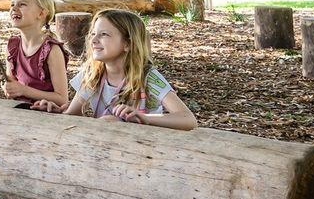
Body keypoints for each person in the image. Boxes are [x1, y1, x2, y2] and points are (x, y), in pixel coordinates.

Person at [33, 8, 196, 129]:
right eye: (93, 34)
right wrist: (55, 113)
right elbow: (73, 114)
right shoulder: (92, 74)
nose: (94, 40)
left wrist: (145, 118)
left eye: (104, 34)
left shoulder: (147, 76)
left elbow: (188, 119)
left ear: (127, 44)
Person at [3, 0, 69, 109]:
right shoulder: (12, 46)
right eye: (12, 4)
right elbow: (12, 83)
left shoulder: (51, 50)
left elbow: (62, 99)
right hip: (18, 110)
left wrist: (24, 90)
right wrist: (10, 89)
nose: (14, 8)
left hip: (45, 113)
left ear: (41, 13)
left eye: (22, 4)